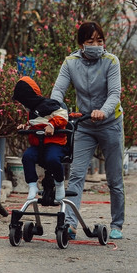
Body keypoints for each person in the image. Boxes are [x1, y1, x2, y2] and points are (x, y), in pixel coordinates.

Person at [50, 21, 125, 240]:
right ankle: (71, 225)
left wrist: (103, 111)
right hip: (83, 124)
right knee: (76, 175)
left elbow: (114, 94)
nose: (96, 45)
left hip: (110, 123)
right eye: (90, 41)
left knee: (114, 179)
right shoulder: (70, 63)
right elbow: (58, 91)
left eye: (99, 41)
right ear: (82, 43)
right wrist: (57, 111)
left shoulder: (111, 61)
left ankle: (117, 224)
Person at [12, 76, 70, 202]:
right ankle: (32, 185)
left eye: (23, 101)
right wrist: (26, 126)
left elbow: (63, 115)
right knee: (27, 157)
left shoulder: (49, 105)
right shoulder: (31, 112)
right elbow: (34, 123)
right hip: (39, 145)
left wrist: (51, 125)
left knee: (52, 159)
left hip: (55, 143)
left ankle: (59, 183)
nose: (22, 105)